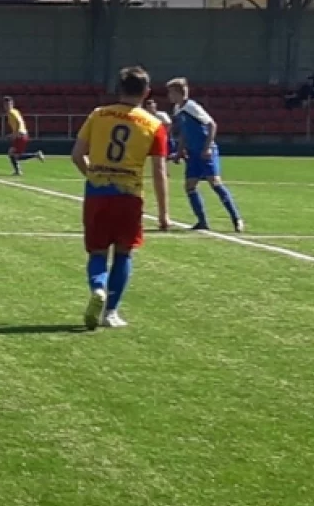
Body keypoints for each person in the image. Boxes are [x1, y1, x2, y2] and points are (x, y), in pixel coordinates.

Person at [71, 66, 170, 330]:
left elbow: (77, 155)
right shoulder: (154, 125)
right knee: (124, 254)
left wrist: (93, 175)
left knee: (97, 251)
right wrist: (163, 213)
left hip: (97, 192)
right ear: (146, 92)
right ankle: (110, 311)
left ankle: (98, 288)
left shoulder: (98, 115)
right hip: (129, 195)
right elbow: (160, 171)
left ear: (119, 89)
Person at [167, 78, 244, 233]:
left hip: (205, 151)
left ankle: (237, 219)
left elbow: (211, 124)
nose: (169, 95)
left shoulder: (192, 107)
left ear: (177, 93)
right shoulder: (178, 109)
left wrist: (207, 148)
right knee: (190, 186)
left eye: (170, 92)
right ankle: (202, 221)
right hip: (193, 154)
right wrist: (180, 151)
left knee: (214, 183)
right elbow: (183, 133)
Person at [4, 96, 44, 175]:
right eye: (6, 104)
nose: (7, 106)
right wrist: (13, 134)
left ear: (12, 104)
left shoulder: (12, 112)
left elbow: (19, 122)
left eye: (9, 104)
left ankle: (36, 155)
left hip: (21, 135)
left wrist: (15, 133)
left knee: (15, 155)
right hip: (21, 135)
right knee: (12, 153)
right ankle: (18, 170)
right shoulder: (13, 112)